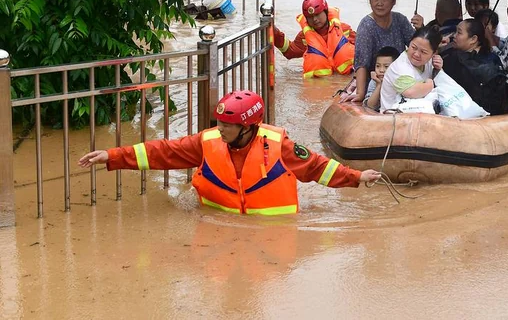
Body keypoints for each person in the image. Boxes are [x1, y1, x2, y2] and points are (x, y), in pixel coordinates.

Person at [77, 90, 381, 215]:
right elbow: (163, 152)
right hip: (215, 223)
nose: (220, 130)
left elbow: (316, 168)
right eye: (219, 123)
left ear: (248, 127)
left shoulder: (279, 145)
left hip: (272, 234)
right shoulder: (207, 142)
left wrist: (357, 177)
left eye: (227, 125)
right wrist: (113, 156)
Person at [343, 0, 415, 103]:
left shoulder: (400, 20)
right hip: (375, 79)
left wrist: (420, 28)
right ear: (369, 0)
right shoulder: (366, 26)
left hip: (399, 76)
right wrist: (360, 93)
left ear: (394, 1)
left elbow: (415, 47)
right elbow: (362, 62)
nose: (379, 4)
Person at [272, 0, 356, 78]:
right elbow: (289, 52)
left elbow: (363, 47)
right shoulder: (304, 37)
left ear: (326, 11)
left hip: (346, 78)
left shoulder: (344, 29)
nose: (315, 19)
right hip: (321, 84)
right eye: (310, 17)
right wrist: (274, 32)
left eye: (317, 14)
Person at [442, 19, 508, 115]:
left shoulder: (455, 59)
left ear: (473, 39)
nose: (454, 36)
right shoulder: (494, 57)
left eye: (459, 33)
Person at [379, 26, 443, 113]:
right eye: (413, 47)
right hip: (392, 119)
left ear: (433, 53)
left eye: (423, 52)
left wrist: (438, 69)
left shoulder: (430, 61)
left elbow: (441, 83)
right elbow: (411, 92)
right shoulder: (399, 67)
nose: (416, 54)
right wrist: (430, 84)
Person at [364, 46, 400, 111]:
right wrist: (379, 85)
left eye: (386, 66)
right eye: (378, 66)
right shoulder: (374, 81)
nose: (381, 70)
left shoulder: (401, 80)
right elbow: (370, 106)